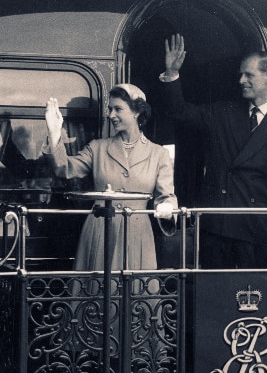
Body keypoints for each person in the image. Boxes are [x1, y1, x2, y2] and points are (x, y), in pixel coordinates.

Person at [159, 33, 267, 269]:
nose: (241, 80)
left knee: (256, 298)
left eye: (249, 75)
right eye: (241, 74)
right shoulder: (223, 113)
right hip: (217, 228)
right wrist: (172, 74)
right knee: (214, 297)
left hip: (258, 231)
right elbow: (180, 111)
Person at [44, 84, 177, 271]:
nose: (111, 115)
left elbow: (166, 196)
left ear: (137, 112)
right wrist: (54, 133)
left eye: (118, 109)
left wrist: (167, 206)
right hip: (100, 229)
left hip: (138, 233)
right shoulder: (97, 148)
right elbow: (63, 169)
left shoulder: (158, 154)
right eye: (110, 109)